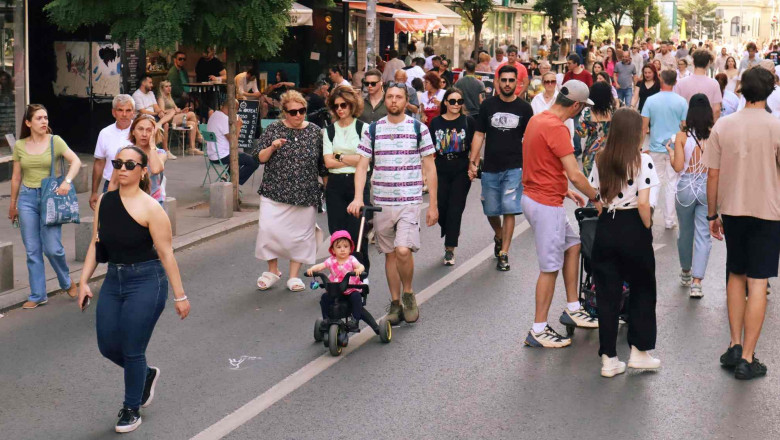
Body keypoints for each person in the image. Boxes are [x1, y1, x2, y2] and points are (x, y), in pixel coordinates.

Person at [78, 145, 190, 433]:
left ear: (142, 172)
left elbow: (166, 254)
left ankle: (131, 409)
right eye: (118, 164)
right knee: (107, 345)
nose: (123, 169)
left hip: (146, 281)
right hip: (113, 279)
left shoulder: (151, 208)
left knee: (132, 348)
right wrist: (83, 282)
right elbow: (95, 243)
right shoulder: (105, 201)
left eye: (130, 165)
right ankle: (146, 374)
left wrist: (180, 296)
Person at [704, 66, 780, 380]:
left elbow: (713, 174)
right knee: (758, 281)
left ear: (741, 90)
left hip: (732, 210)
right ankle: (748, 357)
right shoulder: (776, 126)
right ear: (769, 91)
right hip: (768, 211)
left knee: (735, 274)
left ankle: (734, 344)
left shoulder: (724, 125)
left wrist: (712, 214)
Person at [347, 82, 438, 325]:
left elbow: (430, 167)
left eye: (399, 97)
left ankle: (408, 293)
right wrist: (358, 197)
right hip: (381, 202)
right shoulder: (373, 129)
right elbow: (362, 166)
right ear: (384, 99)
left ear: (406, 100)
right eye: (390, 96)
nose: (394, 101)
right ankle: (395, 302)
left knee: (403, 250)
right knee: (389, 255)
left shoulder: (418, 128)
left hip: (409, 201)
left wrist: (433, 205)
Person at [520, 80, 600, 348]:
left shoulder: (538, 119)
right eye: (583, 108)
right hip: (546, 204)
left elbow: (539, 162)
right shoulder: (557, 128)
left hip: (536, 196)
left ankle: (573, 307)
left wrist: (563, 190)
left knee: (573, 245)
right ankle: (538, 329)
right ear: (576, 106)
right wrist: (595, 197)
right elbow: (575, 174)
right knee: (549, 268)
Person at [588, 108, 661, 377]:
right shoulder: (643, 160)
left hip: (607, 224)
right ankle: (639, 352)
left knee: (607, 293)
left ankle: (608, 359)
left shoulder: (600, 158)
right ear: (636, 132)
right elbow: (644, 203)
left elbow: (595, 195)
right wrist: (647, 226)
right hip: (633, 224)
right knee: (643, 288)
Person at [8, 104, 81, 309]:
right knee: (32, 249)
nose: (44, 121)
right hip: (27, 199)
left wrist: (67, 181)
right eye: (39, 118)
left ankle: (65, 280)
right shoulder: (20, 145)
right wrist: (13, 205)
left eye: (45, 118)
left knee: (53, 249)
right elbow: (16, 177)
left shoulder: (55, 141)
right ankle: (38, 294)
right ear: (28, 122)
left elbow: (75, 161)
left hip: (51, 197)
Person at [252, 91, 326, 292]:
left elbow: (322, 165)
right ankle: (273, 270)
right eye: (293, 112)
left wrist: (327, 189)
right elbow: (259, 157)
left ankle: (293, 276)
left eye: (302, 110)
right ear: (284, 112)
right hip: (274, 191)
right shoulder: (274, 129)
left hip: (305, 194)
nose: (298, 115)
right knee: (268, 231)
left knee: (300, 237)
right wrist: (272, 147)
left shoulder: (315, 132)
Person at [467, 65, 534, 271]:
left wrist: (531, 166)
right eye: (503, 80)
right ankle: (499, 234)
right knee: (491, 209)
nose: (507, 84)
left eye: (511, 80)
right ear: (497, 82)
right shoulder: (488, 106)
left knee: (509, 209)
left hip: (515, 167)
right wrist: (473, 161)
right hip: (490, 167)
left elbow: (530, 139)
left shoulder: (525, 109)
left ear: (517, 83)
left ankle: (504, 252)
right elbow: (479, 134)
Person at [666, 94, 713, 299]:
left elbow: (678, 167)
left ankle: (686, 270)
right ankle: (697, 282)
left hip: (685, 187)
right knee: (703, 234)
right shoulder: (714, 135)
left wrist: (671, 154)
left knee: (685, 232)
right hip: (707, 187)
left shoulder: (681, 136)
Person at [322, 85, 371, 275]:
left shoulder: (363, 128)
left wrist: (339, 156)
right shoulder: (329, 131)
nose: (340, 109)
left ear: (352, 105)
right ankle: (340, 275)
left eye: (344, 105)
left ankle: (360, 275)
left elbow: (365, 160)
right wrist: (353, 159)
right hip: (335, 186)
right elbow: (328, 162)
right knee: (337, 234)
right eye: (336, 106)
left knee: (358, 234)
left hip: (357, 183)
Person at [429, 88, 475, 266]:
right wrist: (425, 172)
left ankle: (450, 248)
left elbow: (476, 144)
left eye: (459, 101)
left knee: (455, 209)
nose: (456, 104)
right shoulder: (436, 122)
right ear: (446, 103)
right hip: (440, 168)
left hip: (461, 169)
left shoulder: (468, 121)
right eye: (452, 101)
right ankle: (452, 230)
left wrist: (473, 164)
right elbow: (428, 149)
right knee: (441, 207)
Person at [641, 69, 688, 229]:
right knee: (672, 184)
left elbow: (644, 127)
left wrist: (639, 146)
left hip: (656, 147)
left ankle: (651, 208)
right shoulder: (682, 102)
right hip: (675, 148)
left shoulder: (650, 100)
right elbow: (684, 127)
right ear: (675, 82)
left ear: (661, 80)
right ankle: (669, 220)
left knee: (654, 181)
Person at [306, 231, 366, 331]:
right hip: (336, 289)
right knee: (325, 298)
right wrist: (312, 269)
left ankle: (355, 320)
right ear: (333, 250)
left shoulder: (351, 259)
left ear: (350, 248)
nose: (342, 249)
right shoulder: (331, 260)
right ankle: (326, 319)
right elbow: (321, 266)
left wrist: (359, 269)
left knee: (356, 297)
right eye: (338, 247)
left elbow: (361, 266)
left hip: (350, 288)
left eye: (345, 246)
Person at [107, 115, 167, 205]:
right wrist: (109, 203)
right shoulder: (122, 151)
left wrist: (152, 145)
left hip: (153, 203)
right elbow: (114, 182)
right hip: (128, 201)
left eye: (149, 130)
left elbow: (155, 169)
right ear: (133, 131)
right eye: (140, 129)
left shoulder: (160, 153)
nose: (144, 134)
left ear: (154, 133)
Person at [91, 95, 136, 210]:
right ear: (113, 112)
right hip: (110, 185)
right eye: (120, 110)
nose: (124, 114)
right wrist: (94, 192)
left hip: (135, 186)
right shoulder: (105, 133)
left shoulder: (140, 131)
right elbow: (99, 163)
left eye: (128, 110)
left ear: (133, 112)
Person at [205, 100, 259, 185]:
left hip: (212, 154)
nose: (237, 112)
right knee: (254, 162)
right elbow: (234, 141)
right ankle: (234, 183)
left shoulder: (214, 115)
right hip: (222, 156)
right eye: (236, 110)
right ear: (232, 108)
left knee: (240, 155)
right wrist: (239, 126)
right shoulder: (224, 119)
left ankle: (226, 176)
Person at [132, 75, 177, 159]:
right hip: (144, 118)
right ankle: (163, 148)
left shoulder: (151, 93)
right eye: (150, 83)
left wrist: (160, 111)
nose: (152, 85)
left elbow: (155, 106)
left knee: (171, 113)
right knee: (166, 124)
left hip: (154, 116)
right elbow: (143, 111)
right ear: (143, 83)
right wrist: (156, 113)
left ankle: (166, 150)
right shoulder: (137, 95)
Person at [577, 82, 615, 177]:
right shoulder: (613, 111)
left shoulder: (587, 112)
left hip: (591, 152)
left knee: (590, 180)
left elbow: (582, 133)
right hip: (610, 149)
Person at [674, 50, 722, 121]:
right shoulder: (714, 84)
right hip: (707, 123)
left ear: (693, 62)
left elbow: (676, 107)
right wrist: (713, 124)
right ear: (708, 63)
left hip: (687, 123)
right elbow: (717, 110)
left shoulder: (681, 83)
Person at [157, 81, 203, 156]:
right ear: (162, 88)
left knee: (192, 123)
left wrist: (182, 111)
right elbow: (162, 111)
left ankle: (192, 148)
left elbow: (176, 110)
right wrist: (174, 110)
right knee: (191, 114)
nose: (169, 88)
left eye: (170, 86)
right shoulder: (161, 98)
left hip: (176, 117)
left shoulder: (170, 97)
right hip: (170, 119)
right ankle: (199, 135)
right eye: (166, 86)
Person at [530, 72, 575, 136]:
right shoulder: (536, 99)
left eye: (553, 81)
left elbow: (569, 123)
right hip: (539, 135)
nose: (550, 84)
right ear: (543, 83)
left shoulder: (563, 100)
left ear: (556, 83)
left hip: (557, 135)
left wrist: (570, 139)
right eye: (547, 82)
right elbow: (531, 120)